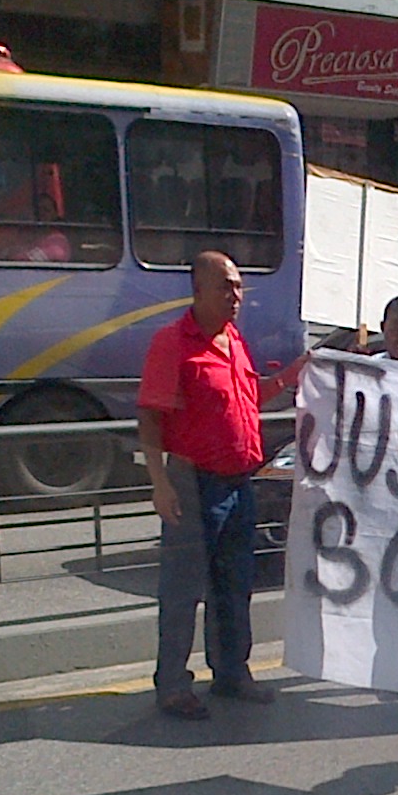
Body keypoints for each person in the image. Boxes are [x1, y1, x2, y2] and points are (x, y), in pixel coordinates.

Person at [138, 250, 307, 720]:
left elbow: (250, 398)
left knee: (234, 586)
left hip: (239, 483)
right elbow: (150, 418)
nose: (236, 296)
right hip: (193, 482)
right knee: (183, 589)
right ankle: (172, 685)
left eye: (238, 287)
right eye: (225, 287)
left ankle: (232, 673)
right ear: (198, 291)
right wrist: (159, 484)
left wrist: (291, 376)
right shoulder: (172, 343)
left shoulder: (233, 340)